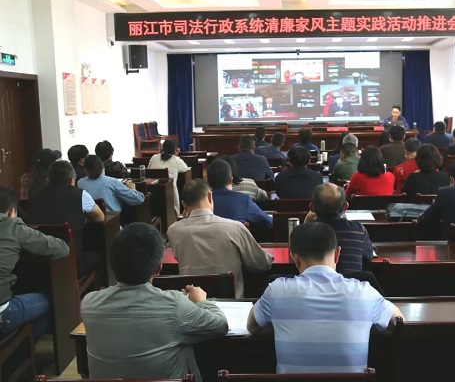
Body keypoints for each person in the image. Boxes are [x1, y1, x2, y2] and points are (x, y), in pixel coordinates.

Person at [246, 222, 402, 374]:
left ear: (295, 258)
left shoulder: (276, 291)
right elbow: (398, 322)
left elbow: (252, 326)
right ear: (337, 254)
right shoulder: (364, 292)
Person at [82, 223, 229, 379]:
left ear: (112, 264)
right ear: (159, 268)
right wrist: (200, 302)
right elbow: (221, 325)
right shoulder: (176, 305)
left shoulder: (88, 303)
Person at [167, 180, 273, 298]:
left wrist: (185, 221)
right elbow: (262, 263)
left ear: (184, 204)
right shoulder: (235, 228)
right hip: (231, 303)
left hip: (191, 303)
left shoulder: (173, 231)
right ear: (210, 196)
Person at [0, 186, 69, 349]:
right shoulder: (12, 226)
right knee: (49, 300)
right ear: (12, 212)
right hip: (3, 314)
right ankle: (16, 360)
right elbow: (62, 249)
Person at [28, 161, 104, 277]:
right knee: (97, 255)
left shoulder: (34, 196)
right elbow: (100, 217)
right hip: (72, 262)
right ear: (71, 180)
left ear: (49, 178)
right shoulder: (80, 194)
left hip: (39, 263)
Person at [304, 183, 373, 272]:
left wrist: (306, 223)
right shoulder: (359, 230)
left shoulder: (307, 234)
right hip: (351, 280)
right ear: (345, 206)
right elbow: (369, 256)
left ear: (311, 207)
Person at [207, 159, 273, 229]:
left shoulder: (203, 201)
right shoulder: (243, 200)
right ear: (230, 180)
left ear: (208, 181)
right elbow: (270, 222)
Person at [78, 155, 145, 212]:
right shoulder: (111, 182)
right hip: (112, 221)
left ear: (85, 169)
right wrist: (132, 189)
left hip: (89, 221)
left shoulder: (80, 183)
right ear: (102, 167)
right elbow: (138, 199)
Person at [148, 139, 189, 218]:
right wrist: (176, 155)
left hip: (153, 193)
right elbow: (185, 168)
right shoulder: (176, 160)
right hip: (169, 194)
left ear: (162, 148)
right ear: (175, 149)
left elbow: (148, 168)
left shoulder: (154, 157)